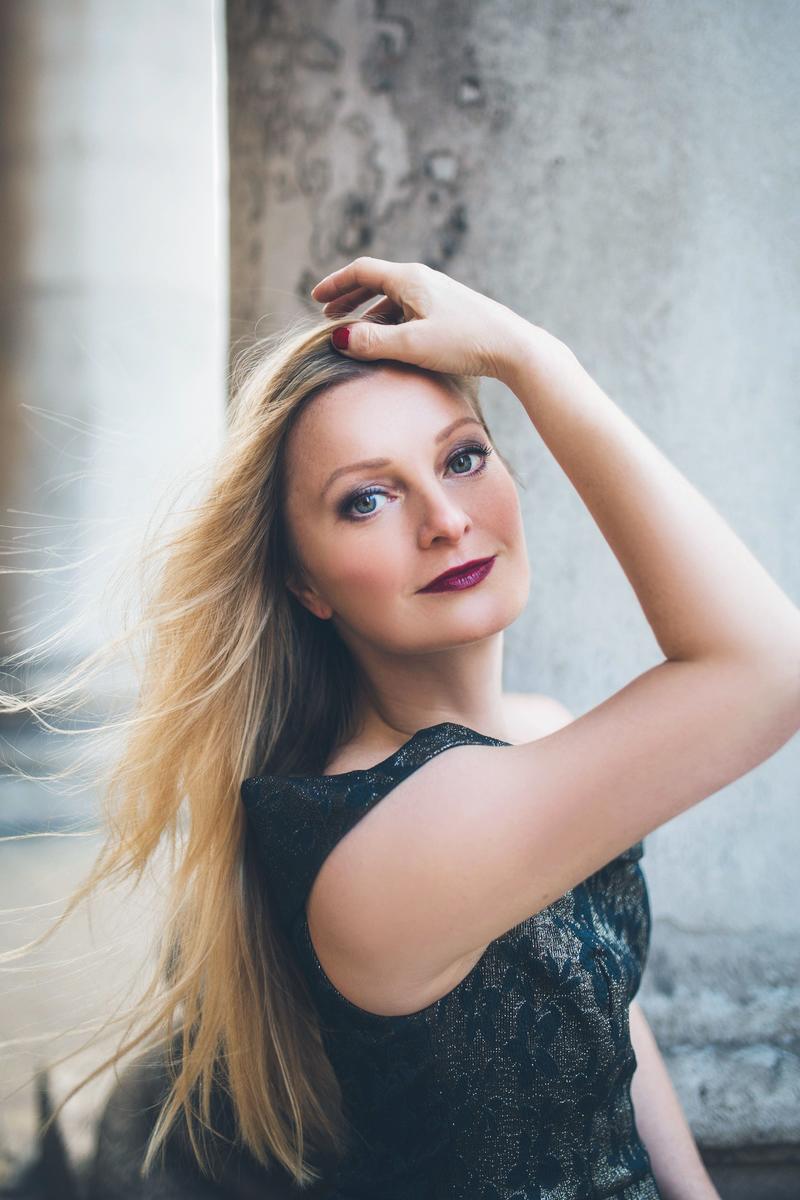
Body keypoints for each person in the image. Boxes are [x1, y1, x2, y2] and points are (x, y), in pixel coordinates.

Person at [2, 257, 798, 1199]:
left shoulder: (539, 737)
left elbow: (605, 1009)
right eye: (366, 499)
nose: (447, 520)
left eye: (463, 456)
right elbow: (767, 672)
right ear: (305, 585)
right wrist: (537, 360)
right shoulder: (399, 838)